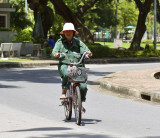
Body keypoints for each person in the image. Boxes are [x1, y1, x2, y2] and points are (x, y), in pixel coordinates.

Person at [51, 23, 92, 113]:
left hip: (78, 65)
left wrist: (88, 52)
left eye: (70, 31)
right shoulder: (60, 42)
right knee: (66, 74)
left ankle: (80, 103)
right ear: (64, 33)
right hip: (65, 65)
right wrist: (56, 54)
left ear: (73, 33)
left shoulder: (78, 42)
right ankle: (64, 92)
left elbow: (86, 49)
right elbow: (54, 52)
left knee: (83, 87)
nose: (68, 33)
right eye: (66, 31)